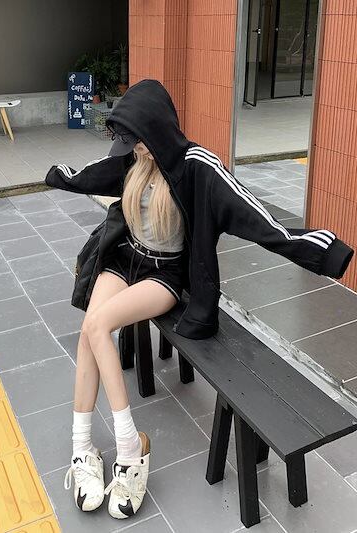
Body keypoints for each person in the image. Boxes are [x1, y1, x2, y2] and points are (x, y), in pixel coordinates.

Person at [45, 79, 355, 521]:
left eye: (139, 141)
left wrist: (324, 252)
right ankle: (83, 448)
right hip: (124, 258)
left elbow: (257, 218)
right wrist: (59, 175)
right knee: (89, 331)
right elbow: (92, 174)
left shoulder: (198, 166)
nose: (136, 151)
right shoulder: (133, 158)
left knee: (97, 326)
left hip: (164, 275)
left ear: (157, 128)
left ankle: (131, 448)